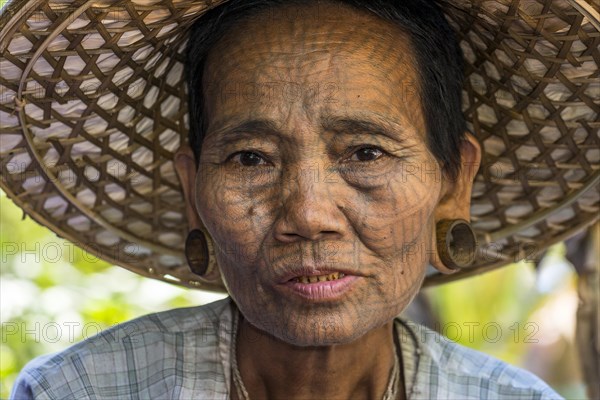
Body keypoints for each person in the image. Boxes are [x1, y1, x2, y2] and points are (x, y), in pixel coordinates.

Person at [1, 0, 597, 398]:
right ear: (193, 192)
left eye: (365, 153)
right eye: (250, 158)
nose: (308, 217)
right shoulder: (78, 389)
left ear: (454, 184)